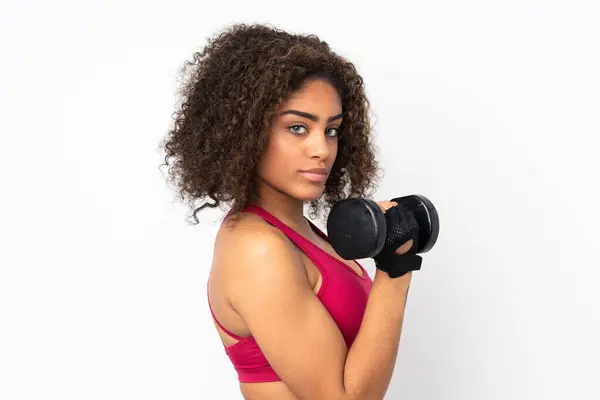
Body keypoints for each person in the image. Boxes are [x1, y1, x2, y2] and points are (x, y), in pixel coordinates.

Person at [162, 23, 417, 400]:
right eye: (298, 128)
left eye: (331, 130)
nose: (322, 149)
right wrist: (395, 267)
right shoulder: (255, 247)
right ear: (247, 133)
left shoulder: (300, 231)